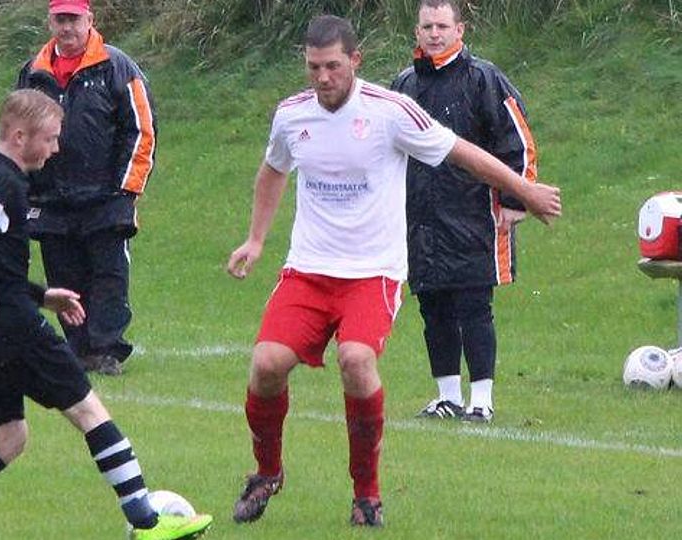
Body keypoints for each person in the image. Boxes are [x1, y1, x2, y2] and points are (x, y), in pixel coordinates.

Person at [225, 15, 560, 529]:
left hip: (372, 272)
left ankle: (367, 494)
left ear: (355, 62)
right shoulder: (292, 115)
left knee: (357, 360)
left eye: (333, 66)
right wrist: (255, 239)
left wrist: (524, 191)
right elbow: (273, 169)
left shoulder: (391, 110)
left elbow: (461, 152)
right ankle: (267, 473)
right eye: (314, 67)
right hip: (309, 270)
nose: (322, 78)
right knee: (266, 364)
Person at [0, 89, 211, 540]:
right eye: (51, 139)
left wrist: (40, 295)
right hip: (1, 326)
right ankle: (147, 522)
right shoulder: (3, 182)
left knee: (10, 439)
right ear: (20, 137)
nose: (56, 150)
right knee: (89, 410)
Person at [390, 0, 537, 423]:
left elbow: (519, 141)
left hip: (475, 213)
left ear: (460, 30)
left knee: (474, 305)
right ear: (416, 33)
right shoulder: (404, 85)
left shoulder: (484, 79)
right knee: (432, 306)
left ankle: (482, 400)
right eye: (426, 27)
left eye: (442, 26)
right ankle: (447, 397)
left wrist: (514, 200)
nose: (434, 34)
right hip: (421, 217)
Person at [14, 0, 157, 376]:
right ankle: (78, 351)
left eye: (74, 20)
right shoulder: (33, 73)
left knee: (109, 276)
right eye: (60, 19)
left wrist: (126, 190)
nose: (67, 28)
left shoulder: (117, 67)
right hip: (50, 200)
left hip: (107, 197)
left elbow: (141, 130)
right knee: (64, 277)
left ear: (89, 20)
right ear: (50, 22)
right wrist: (24, 187)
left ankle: (107, 350)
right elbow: (18, 133)